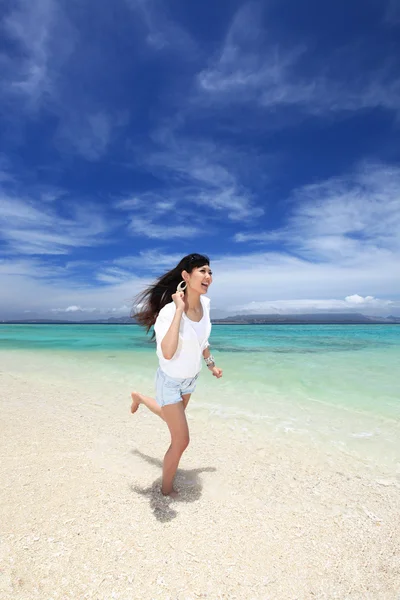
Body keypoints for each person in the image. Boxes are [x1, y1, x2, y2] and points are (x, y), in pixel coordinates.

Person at [130, 253, 223, 497]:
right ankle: (166, 489)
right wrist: (179, 310)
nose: (208, 276)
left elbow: (202, 339)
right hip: (170, 382)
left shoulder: (207, 305)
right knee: (181, 441)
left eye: (210, 272)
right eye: (202, 271)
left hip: (190, 380)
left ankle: (139, 397)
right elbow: (168, 353)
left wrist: (211, 364)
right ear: (186, 276)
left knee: (170, 418)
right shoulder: (169, 313)